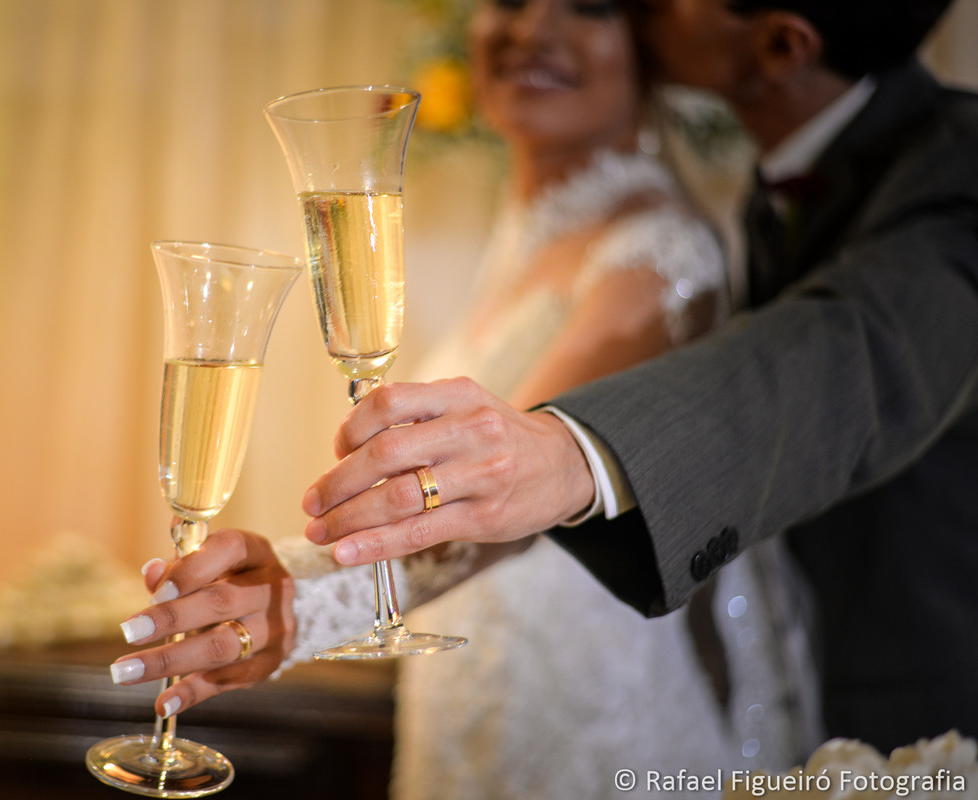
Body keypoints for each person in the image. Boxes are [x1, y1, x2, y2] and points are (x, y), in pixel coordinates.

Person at [106, 0, 818, 794]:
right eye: (508, 0)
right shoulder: (527, 237)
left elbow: (511, 488)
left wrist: (302, 605)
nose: (533, 29)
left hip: (585, 718)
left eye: (587, 6)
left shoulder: (657, 252)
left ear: (647, 43)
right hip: (472, 697)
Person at [290, 0, 978, 755]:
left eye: (594, 5)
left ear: (781, 46)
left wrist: (565, 451)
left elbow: (838, 354)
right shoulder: (767, 180)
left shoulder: (955, 171)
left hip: (922, 699)